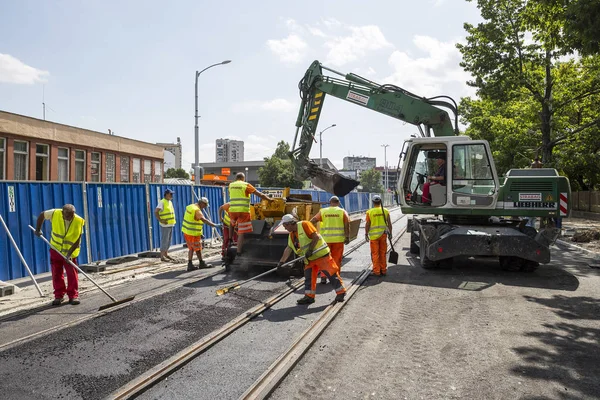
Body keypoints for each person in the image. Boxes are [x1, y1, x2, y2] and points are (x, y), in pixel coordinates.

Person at [278, 214, 346, 305]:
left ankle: (341, 292)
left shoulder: (304, 224)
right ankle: (309, 297)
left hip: (321, 255)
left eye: (285, 226)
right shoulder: (291, 235)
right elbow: (289, 248)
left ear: (290, 223)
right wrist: (281, 262)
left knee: (331, 273)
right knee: (308, 277)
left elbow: (316, 237)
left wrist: (310, 250)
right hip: (309, 259)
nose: (285, 228)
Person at [34, 204, 85, 306]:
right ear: (62, 213)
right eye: (67, 215)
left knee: (72, 274)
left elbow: (77, 241)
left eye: (71, 215)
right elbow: (42, 215)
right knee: (57, 273)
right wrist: (38, 229)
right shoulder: (55, 213)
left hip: (69, 252)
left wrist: (69, 254)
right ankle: (58, 295)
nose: (70, 218)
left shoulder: (79, 221)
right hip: (55, 250)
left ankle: (73, 296)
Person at [228, 172, 273, 256]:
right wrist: (269, 199)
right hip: (243, 211)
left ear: (236, 178)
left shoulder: (231, 185)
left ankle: (230, 239)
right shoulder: (246, 185)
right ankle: (239, 251)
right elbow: (260, 194)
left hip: (232, 210)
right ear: (243, 178)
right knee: (241, 232)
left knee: (232, 223)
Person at [310, 196, 350, 284]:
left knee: (325, 259)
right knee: (336, 259)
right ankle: (336, 277)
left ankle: (323, 277)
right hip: (338, 240)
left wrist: (312, 232)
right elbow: (347, 225)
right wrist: (347, 237)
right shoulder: (342, 212)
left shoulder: (323, 211)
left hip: (325, 240)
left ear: (330, 202)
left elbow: (313, 220)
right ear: (338, 202)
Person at [182, 197, 220, 271]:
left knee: (191, 248)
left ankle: (190, 264)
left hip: (187, 231)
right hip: (193, 234)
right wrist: (215, 225)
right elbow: (204, 220)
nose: (205, 207)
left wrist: (201, 233)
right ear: (202, 203)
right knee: (198, 249)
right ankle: (201, 263)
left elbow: (192, 220)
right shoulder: (197, 211)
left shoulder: (190, 207)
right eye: (205, 205)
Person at [365, 195, 393, 276]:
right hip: (383, 235)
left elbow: (367, 224)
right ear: (380, 201)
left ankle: (377, 271)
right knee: (383, 253)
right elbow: (389, 224)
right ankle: (383, 270)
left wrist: (366, 234)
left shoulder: (369, 212)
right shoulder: (386, 211)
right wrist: (390, 233)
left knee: (375, 254)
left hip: (374, 237)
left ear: (373, 202)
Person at [154, 188, 176, 262]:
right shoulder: (162, 202)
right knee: (165, 240)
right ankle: (162, 256)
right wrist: (160, 220)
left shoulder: (169, 202)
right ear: (166, 194)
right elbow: (156, 211)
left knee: (168, 241)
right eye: (170, 194)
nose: (172, 195)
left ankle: (166, 254)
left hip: (170, 224)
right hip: (165, 225)